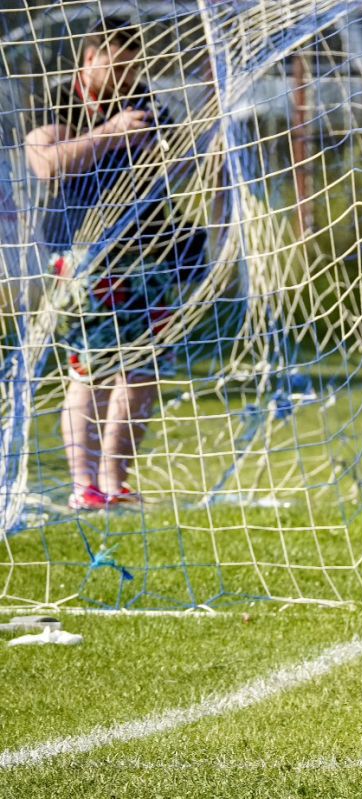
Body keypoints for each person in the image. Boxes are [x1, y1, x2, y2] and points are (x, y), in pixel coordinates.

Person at [25, 15, 205, 511]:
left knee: (145, 368)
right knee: (92, 370)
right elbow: (46, 162)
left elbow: (178, 167)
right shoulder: (60, 98)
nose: (128, 79)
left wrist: (178, 150)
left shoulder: (145, 102)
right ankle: (84, 485)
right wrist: (111, 132)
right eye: (119, 67)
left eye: (134, 69)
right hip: (84, 257)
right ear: (91, 58)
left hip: (147, 253)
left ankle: (115, 480)